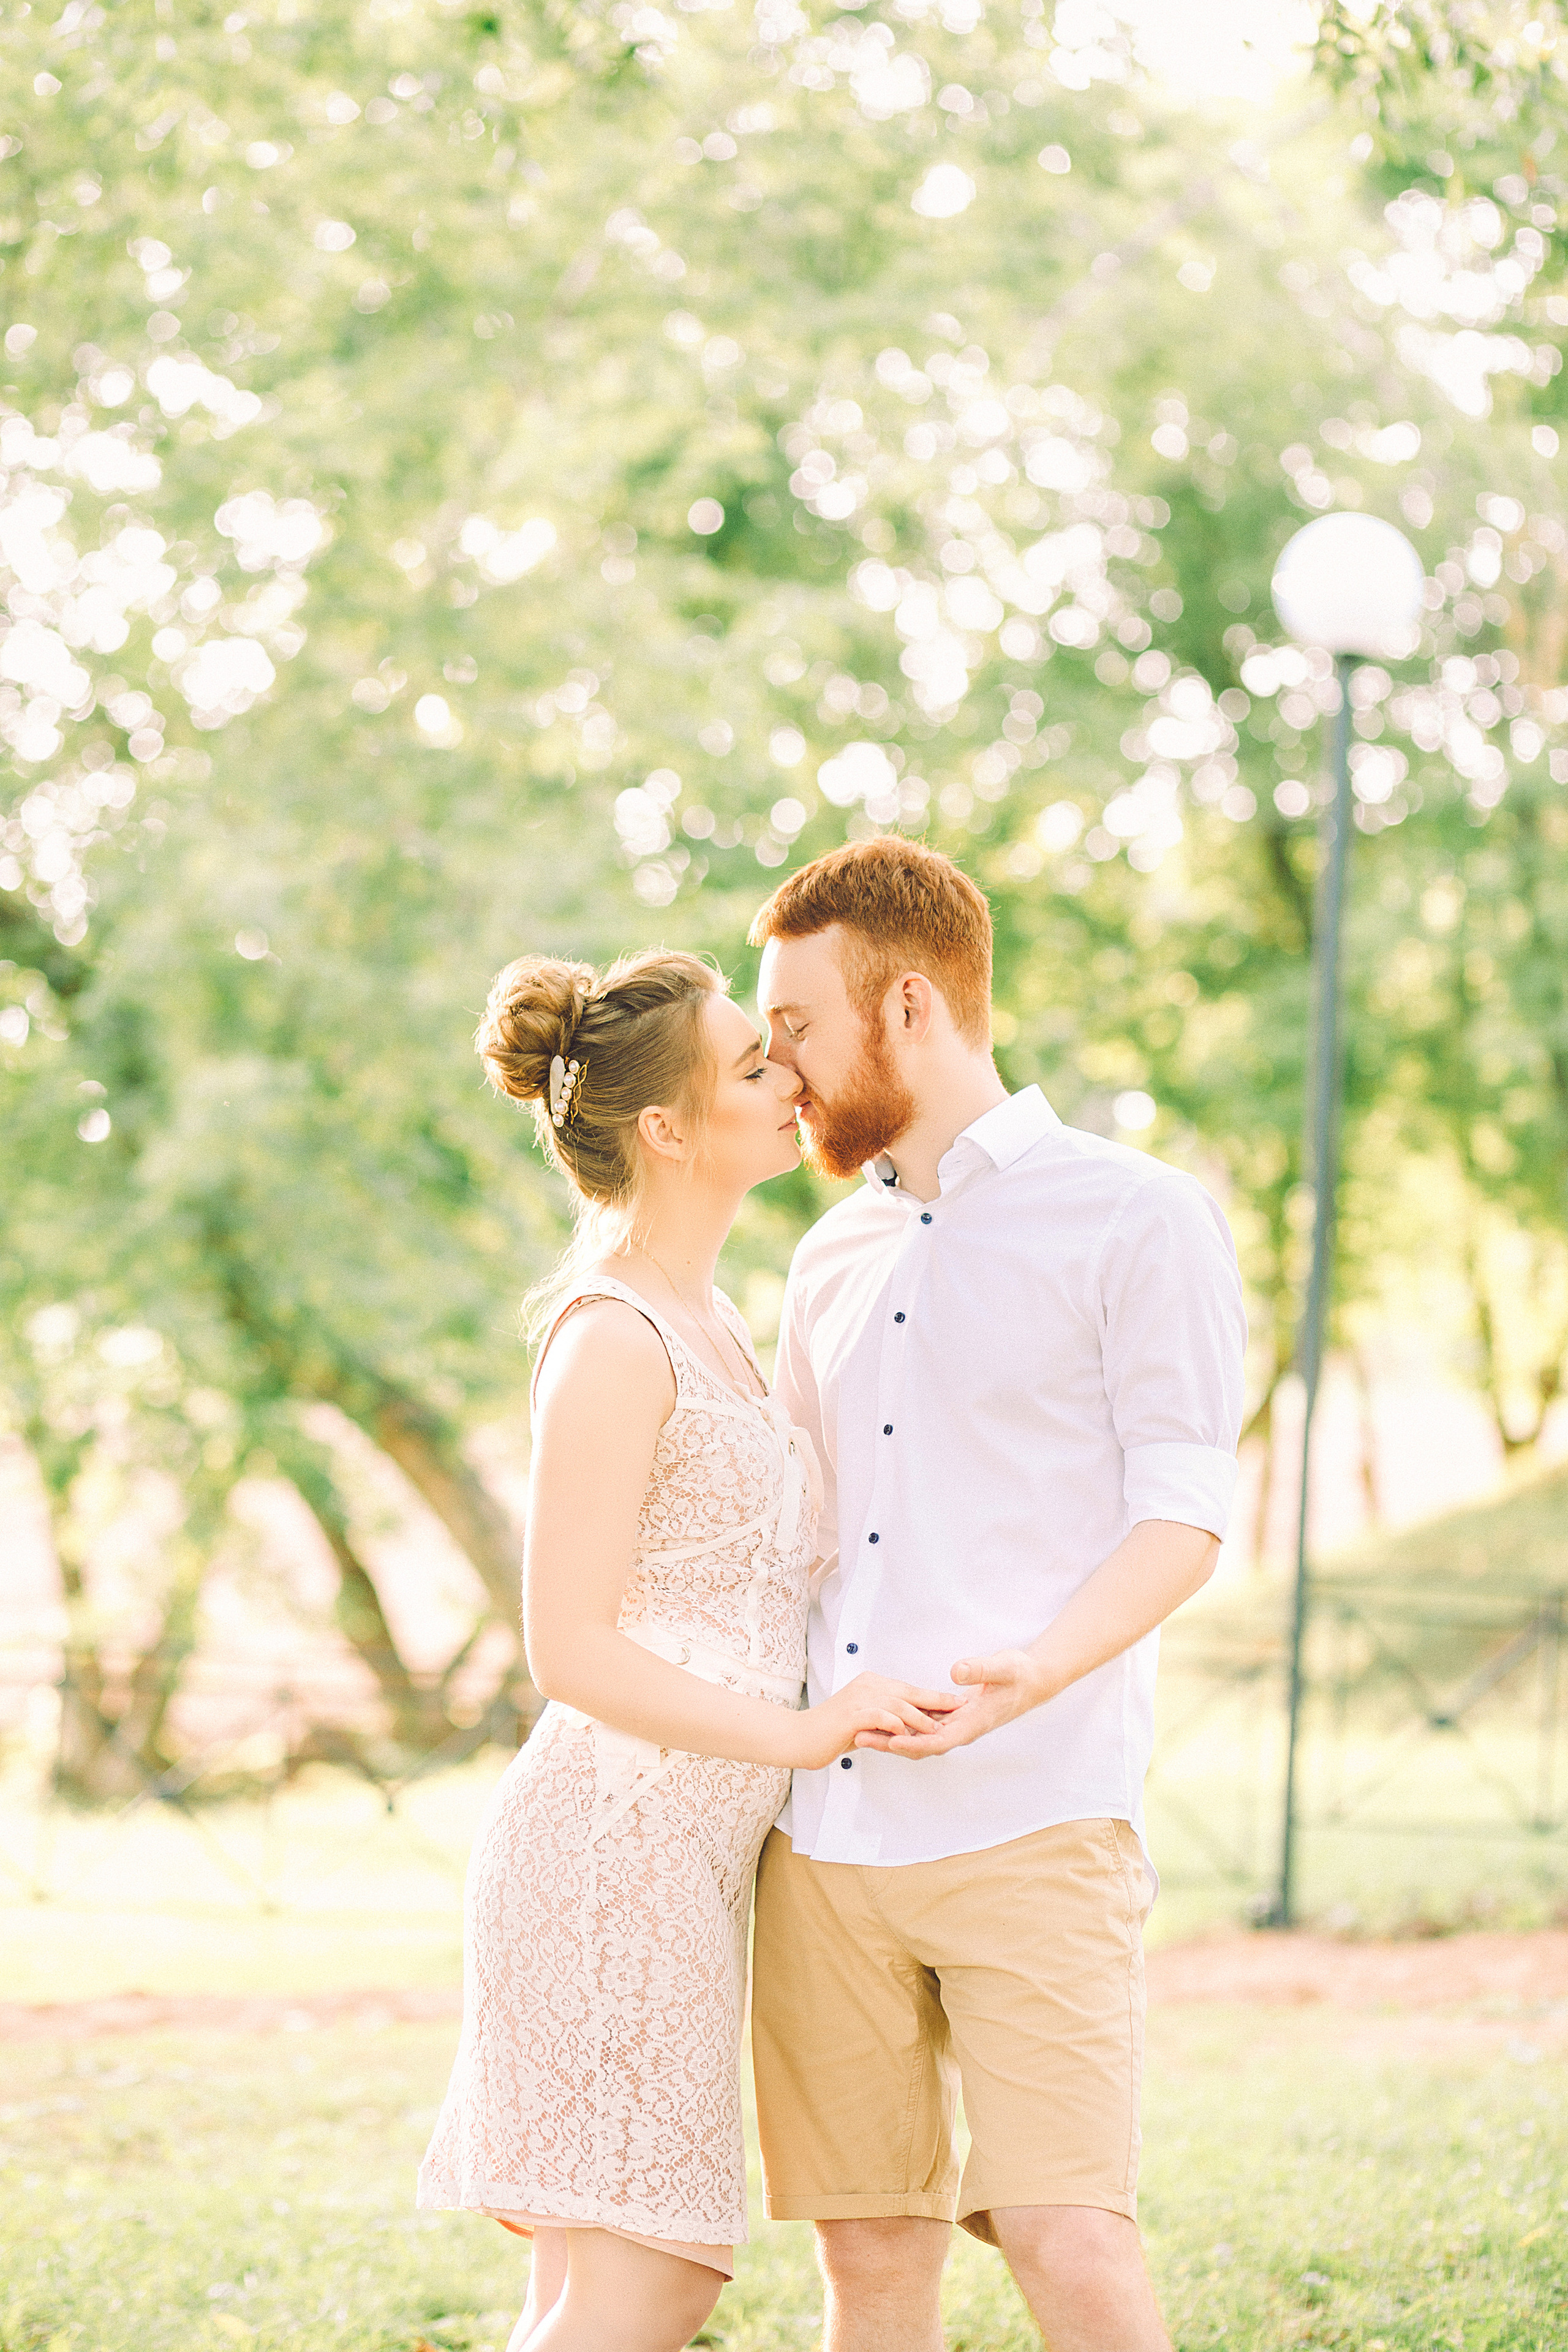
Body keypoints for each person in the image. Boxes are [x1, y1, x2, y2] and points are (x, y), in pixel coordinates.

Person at [748, 838, 1248, 2352]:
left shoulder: (1136, 1215)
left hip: (1036, 1817)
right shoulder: (825, 1255)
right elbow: (796, 1533)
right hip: (822, 1840)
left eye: (795, 1029)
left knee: (1066, 2239)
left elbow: (1184, 1510)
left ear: (906, 1005)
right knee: (874, 2267)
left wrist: (1036, 1668)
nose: (780, 1071)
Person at [417, 946, 954, 2352]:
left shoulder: (718, 1321)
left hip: (684, 1868)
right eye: (752, 1066)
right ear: (665, 1128)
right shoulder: (611, 1337)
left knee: (594, 2288)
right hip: (608, 1853)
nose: (792, 1083)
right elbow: (569, 1649)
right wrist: (806, 1730)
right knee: (652, 2278)